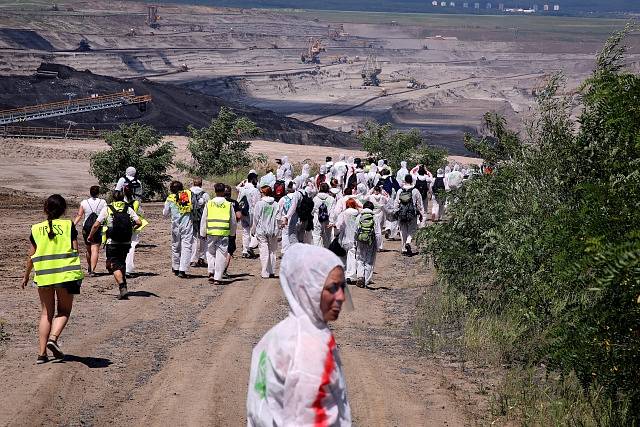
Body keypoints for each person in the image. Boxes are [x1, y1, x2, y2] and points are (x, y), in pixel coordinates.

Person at [246, 243, 351, 426]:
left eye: (343, 287)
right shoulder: (309, 348)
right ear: (308, 288)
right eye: (332, 288)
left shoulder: (278, 335)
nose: (341, 296)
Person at [22, 194, 84, 364]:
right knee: (64, 311)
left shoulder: (36, 228)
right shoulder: (68, 225)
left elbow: (31, 255)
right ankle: (53, 339)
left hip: (43, 276)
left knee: (46, 314)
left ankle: (41, 354)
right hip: (66, 275)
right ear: (64, 209)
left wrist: (26, 275)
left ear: (45, 209)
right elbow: (75, 250)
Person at [88, 190, 141, 299]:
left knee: (114, 264)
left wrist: (90, 236)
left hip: (112, 241)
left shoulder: (108, 208)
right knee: (122, 262)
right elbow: (139, 222)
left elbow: (96, 225)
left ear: (113, 198)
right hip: (126, 241)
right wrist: (131, 229)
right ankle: (124, 285)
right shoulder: (128, 208)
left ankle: (122, 286)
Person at [201, 183, 237, 285]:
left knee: (210, 252)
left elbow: (204, 219)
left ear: (215, 191)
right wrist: (232, 233)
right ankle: (217, 277)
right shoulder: (228, 204)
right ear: (224, 191)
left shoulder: (209, 203)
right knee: (221, 254)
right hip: (223, 232)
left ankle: (211, 271)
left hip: (211, 232)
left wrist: (203, 233)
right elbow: (233, 221)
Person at [73, 185, 106, 277]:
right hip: (98, 226)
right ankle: (92, 270)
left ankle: (89, 266)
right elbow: (105, 214)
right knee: (95, 248)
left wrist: (73, 225)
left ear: (90, 193)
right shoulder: (103, 202)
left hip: (86, 227)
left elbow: (79, 215)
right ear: (98, 193)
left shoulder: (84, 202)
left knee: (88, 249)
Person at [163, 181, 193, 278]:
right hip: (186, 224)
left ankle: (175, 267)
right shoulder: (186, 195)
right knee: (186, 246)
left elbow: (165, 213)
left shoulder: (170, 198)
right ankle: (182, 270)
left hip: (175, 225)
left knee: (175, 246)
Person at [251, 186, 280, 278]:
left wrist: (253, 229)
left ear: (264, 193)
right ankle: (271, 271)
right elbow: (278, 218)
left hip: (261, 229)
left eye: (261, 192)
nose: (260, 193)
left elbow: (256, 217)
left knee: (263, 250)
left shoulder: (260, 204)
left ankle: (265, 272)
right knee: (272, 250)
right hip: (273, 229)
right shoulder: (276, 204)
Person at [395, 174, 425, 256]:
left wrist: (396, 212)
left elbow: (396, 203)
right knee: (412, 229)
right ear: (411, 180)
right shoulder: (415, 191)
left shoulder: (400, 191)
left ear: (404, 180)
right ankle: (408, 241)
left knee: (402, 231)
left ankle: (404, 248)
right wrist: (422, 214)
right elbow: (419, 204)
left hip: (401, 214)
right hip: (412, 213)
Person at [123, 185, 148, 277]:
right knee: (131, 247)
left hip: (121, 227)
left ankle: (120, 268)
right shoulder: (136, 202)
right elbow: (142, 213)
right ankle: (128, 269)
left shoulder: (119, 203)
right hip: (133, 227)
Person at [355, 201, 381, 288]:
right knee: (369, 260)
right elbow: (378, 233)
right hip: (371, 241)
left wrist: (355, 242)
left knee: (360, 259)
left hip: (360, 240)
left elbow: (356, 230)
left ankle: (360, 277)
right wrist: (378, 245)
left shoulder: (359, 216)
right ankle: (366, 281)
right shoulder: (374, 217)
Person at [335, 198, 360, 284]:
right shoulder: (358, 213)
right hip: (354, 238)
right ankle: (351, 275)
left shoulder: (344, 213)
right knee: (352, 256)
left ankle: (344, 273)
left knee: (343, 256)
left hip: (344, 237)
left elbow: (339, 225)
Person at [237, 173, 261, 258]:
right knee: (254, 231)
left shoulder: (242, 189)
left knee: (245, 231)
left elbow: (238, 200)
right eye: (256, 179)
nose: (257, 181)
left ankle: (244, 251)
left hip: (243, 212)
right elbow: (257, 203)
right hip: (252, 213)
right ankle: (250, 247)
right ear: (253, 179)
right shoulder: (255, 190)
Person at [190, 177, 210, 268]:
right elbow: (209, 206)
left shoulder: (188, 193)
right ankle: (202, 258)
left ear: (193, 183)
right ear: (201, 184)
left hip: (191, 219)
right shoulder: (205, 194)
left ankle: (193, 259)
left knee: (193, 238)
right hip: (202, 219)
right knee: (203, 238)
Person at [223, 185, 241, 278]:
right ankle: (224, 270)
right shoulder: (234, 203)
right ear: (230, 193)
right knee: (229, 250)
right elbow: (238, 216)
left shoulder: (216, 202)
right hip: (230, 230)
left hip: (217, 229)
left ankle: (215, 269)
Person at [312, 182, 336, 248]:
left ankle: (317, 252)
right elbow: (332, 211)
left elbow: (313, 210)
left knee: (316, 236)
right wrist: (331, 222)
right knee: (327, 237)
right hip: (327, 220)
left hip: (317, 219)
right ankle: (327, 251)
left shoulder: (315, 198)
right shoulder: (331, 199)